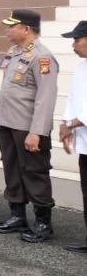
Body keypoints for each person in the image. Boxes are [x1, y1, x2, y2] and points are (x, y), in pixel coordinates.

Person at [0, 9, 58, 243]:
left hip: (28, 127)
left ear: (26, 29)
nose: (8, 29)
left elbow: (46, 98)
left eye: (12, 26)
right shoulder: (14, 51)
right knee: (12, 169)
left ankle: (43, 222)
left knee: (34, 172)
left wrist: (37, 132)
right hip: (8, 123)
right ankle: (17, 215)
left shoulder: (42, 57)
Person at [59, 20, 87, 253]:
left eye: (77, 40)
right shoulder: (81, 67)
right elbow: (72, 98)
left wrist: (73, 124)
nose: (73, 45)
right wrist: (64, 123)